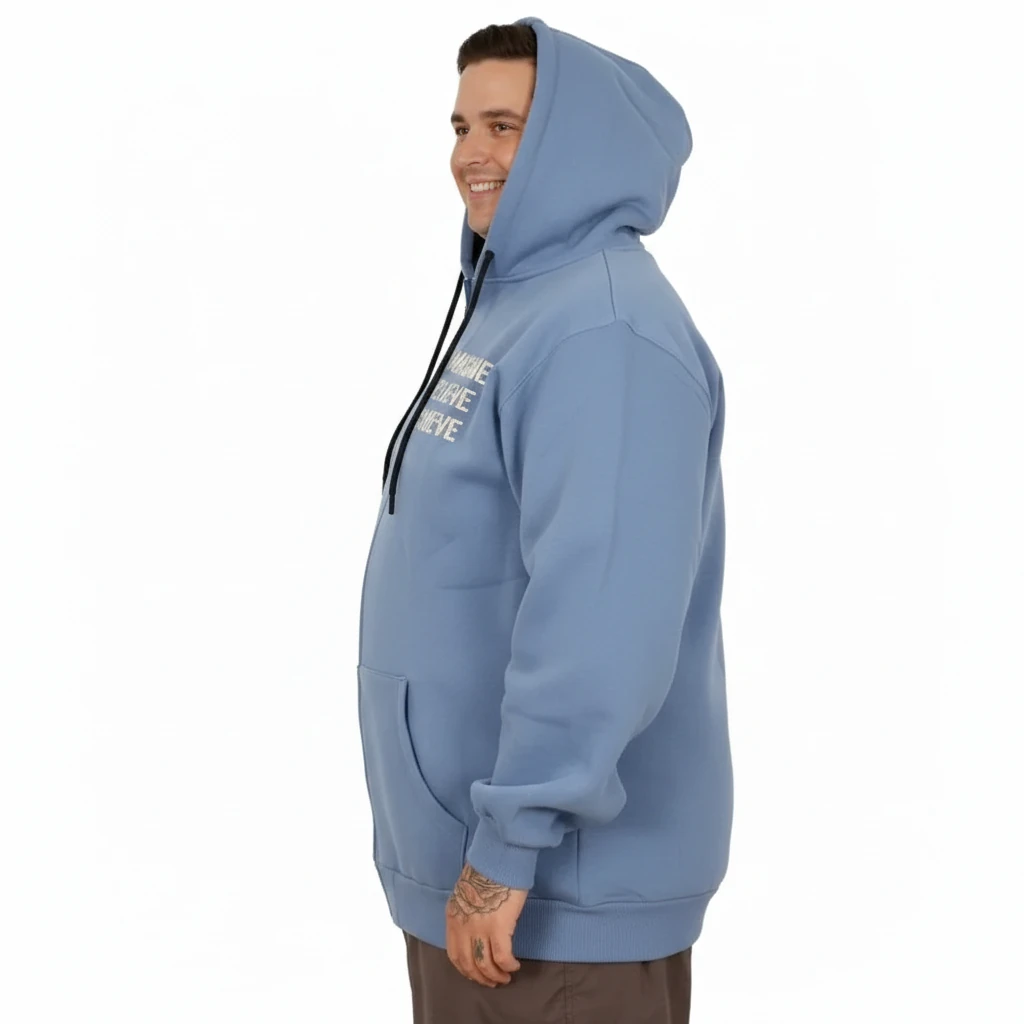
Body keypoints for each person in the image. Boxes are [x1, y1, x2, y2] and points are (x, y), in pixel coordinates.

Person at [356, 15, 732, 1023]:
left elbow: (602, 613)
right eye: (461, 125)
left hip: (552, 896)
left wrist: (510, 844)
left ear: (576, 142)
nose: (469, 154)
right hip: (478, 870)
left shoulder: (604, 329)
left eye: (505, 126)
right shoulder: (519, 306)